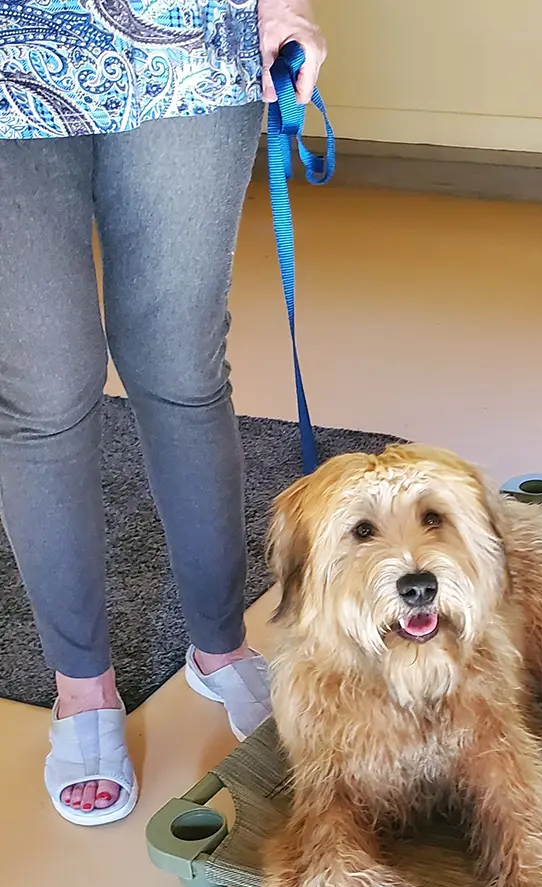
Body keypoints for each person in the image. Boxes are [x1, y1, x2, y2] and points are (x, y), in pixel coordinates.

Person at [0, 1, 327, 826]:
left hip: (186, 40)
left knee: (180, 372)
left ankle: (220, 649)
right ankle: (84, 690)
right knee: (38, 395)